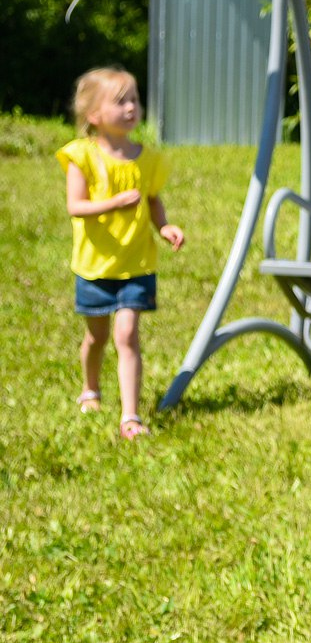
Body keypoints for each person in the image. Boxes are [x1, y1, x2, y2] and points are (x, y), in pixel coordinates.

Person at [56, 67, 185, 439]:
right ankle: (91, 389)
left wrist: (164, 227)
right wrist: (112, 203)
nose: (132, 108)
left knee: (126, 334)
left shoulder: (147, 159)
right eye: (121, 101)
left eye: (135, 100)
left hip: (136, 264)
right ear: (94, 115)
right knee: (96, 337)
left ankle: (131, 416)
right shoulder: (82, 156)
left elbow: (153, 201)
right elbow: (75, 207)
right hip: (95, 266)